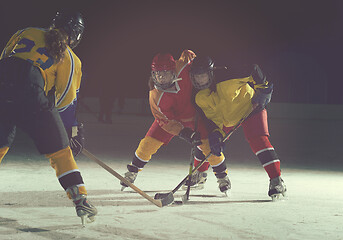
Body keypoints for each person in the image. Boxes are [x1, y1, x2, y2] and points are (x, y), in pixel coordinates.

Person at [0, 11, 97, 225]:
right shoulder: (71, 58)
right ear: (77, 35)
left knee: (0, 143)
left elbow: (5, 57)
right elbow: (65, 101)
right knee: (60, 151)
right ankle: (80, 198)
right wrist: (68, 133)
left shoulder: (26, 31)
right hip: (30, 92)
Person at [120, 50, 231, 194]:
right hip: (172, 121)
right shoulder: (155, 95)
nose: (161, 77)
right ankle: (132, 172)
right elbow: (164, 121)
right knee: (148, 143)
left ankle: (222, 177)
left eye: (165, 73)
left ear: (173, 71)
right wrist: (183, 132)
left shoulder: (183, 68)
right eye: (157, 73)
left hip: (195, 116)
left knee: (209, 146)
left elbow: (190, 55)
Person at [189, 55, 287, 200]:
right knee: (206, 141)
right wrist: (216, 133)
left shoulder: (229, 75)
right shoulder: (197, 96)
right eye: (196, 77)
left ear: (210, 72)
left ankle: (276, 180)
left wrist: (264, 88)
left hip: (250, 109)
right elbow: (210, 120)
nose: (199, 81)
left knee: (259, 141)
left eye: (202, 76)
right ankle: (200, 174)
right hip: (227, 120)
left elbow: (254, 69)